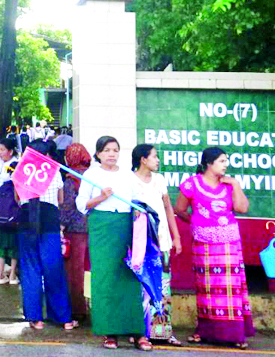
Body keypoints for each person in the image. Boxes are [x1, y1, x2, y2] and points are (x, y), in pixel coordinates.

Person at [175, 147, 253, 349]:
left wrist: (235, 184)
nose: (226, 165)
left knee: (230, 290)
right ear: (209, 163)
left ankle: (235, 334)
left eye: (226, 161)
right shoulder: (192, 184)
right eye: (222, 161)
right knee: (207, 289)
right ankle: (205, 332)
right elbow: (180, 209)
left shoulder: (229, 185)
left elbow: (242, 208)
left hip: (229, 243)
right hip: (204, 244)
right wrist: (197, 223)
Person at [75, 136, 147, 350]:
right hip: (101, 227)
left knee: (129, 277)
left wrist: (138, 212)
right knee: (105, 279)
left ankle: (137, 332)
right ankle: (110, 332)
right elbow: (81, 205)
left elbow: (137, 200)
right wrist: (101, 197)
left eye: (115, 150)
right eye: (106, 150)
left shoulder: (127, 174)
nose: (112, 154)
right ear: (98, 154)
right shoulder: (91, 175)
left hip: (125, 227)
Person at [16, 140, 76, 331]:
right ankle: (63, 318)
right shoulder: (54, 170)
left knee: (30, 270)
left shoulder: (21, 170)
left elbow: (18, 198)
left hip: (26, 222)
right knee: (53, 269)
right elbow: (60, 199)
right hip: (50, 221)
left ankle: (36, 319)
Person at [131, 144, 182, 346]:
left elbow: (168, 208)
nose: (157, 160)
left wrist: (176, 236)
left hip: (162, 241)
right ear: (143, 159)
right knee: (142, 288)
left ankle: (163, 332)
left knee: (163, 287)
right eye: (154, 156)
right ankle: (140, 332)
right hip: (141, 244)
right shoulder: (129, 180)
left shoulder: (159, 180)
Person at [60, 143, 90, 319]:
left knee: (75, 271)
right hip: (92, 229)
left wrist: (61, 226)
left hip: (75, 231)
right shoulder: (92, 176)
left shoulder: (71, 180)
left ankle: (77, 310)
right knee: (89, 270)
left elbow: (68, 206)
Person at [0, 138, 19, 285]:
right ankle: (3, 273)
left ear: (11, 151)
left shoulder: (15, 165)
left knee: (10, 242)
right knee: (2, 241)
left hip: (10, 208)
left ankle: (10, 273)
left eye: (2, 150)